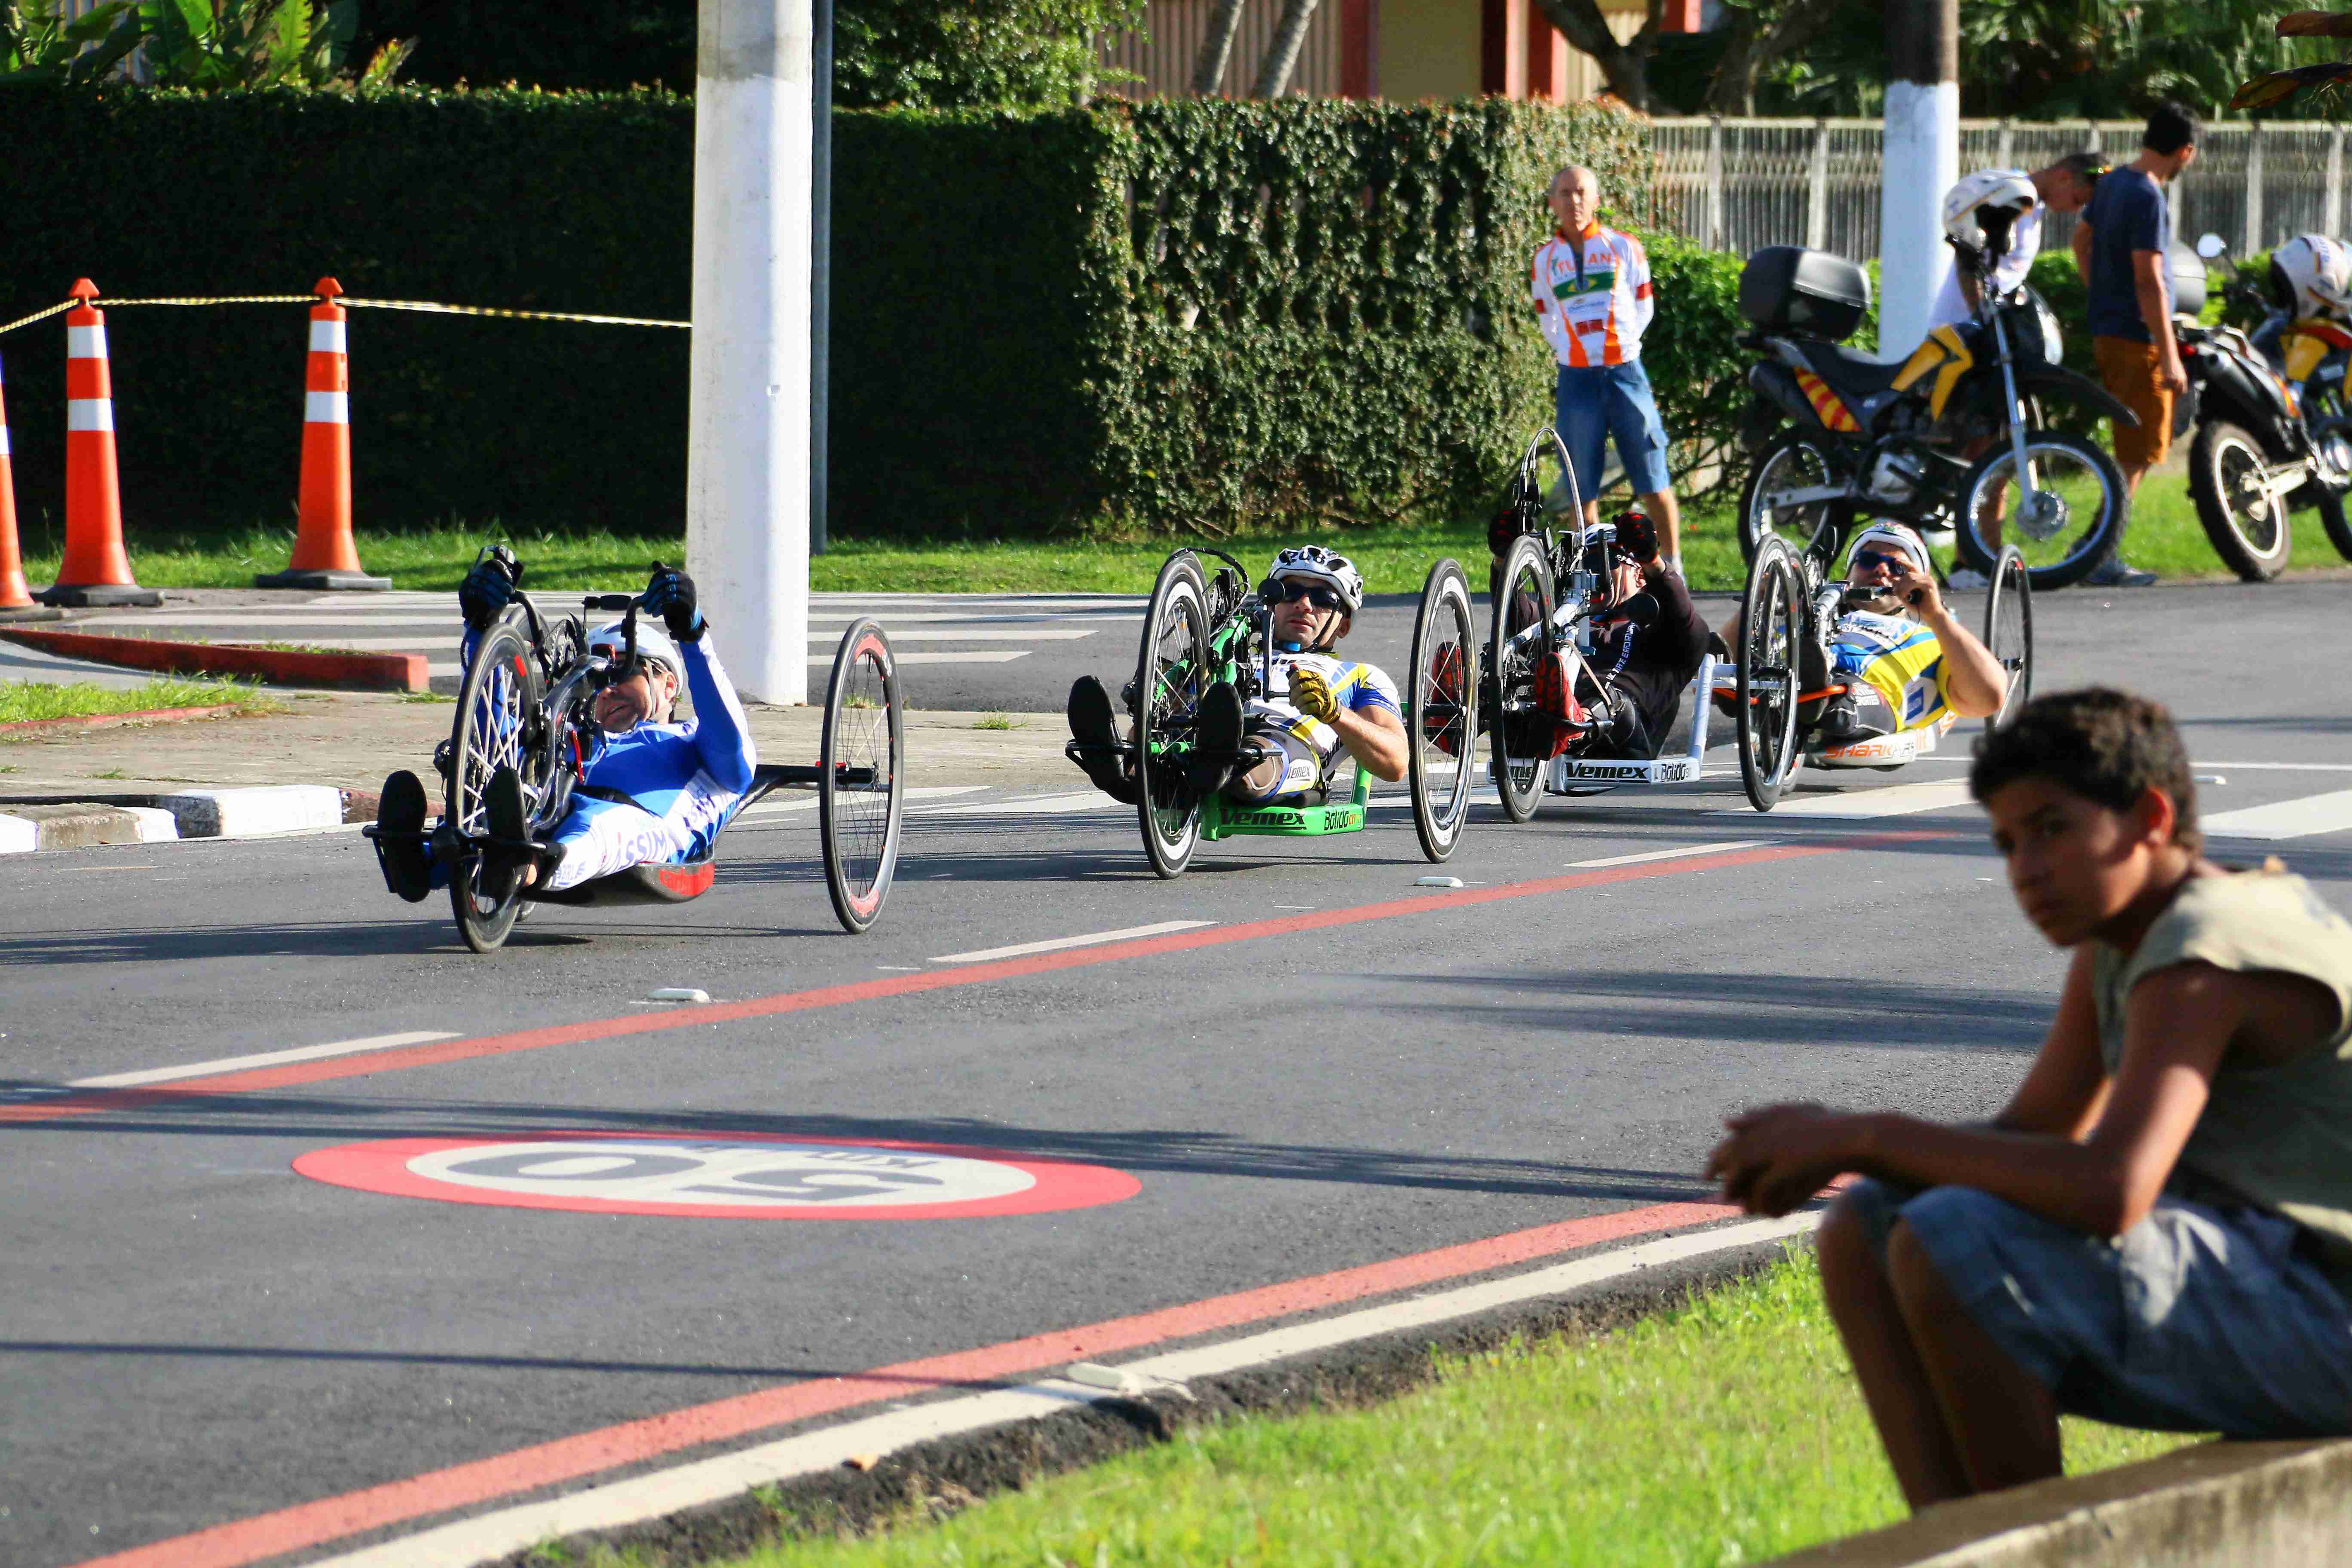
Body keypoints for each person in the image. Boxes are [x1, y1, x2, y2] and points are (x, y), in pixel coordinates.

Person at [1708, 687, 2352, 1507]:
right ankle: (1946, 1540)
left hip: (2330, 1313)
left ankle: (2024, 1547)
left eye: (2052, 829)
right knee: (1867, 1223)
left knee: (1955, 1239)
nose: (2027, 870)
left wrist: (1864, 1132)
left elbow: (2109, 1187)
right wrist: (1869, 1155)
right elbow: (2035, 1133)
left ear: (2150, 817)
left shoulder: (2199, 956)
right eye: (2008, 842)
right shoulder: (2130, 937)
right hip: (2276, 1277)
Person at [372, 557, 758, 902]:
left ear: (669, 684)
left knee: (599, 830)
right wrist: (479, 625)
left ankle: (521, 868)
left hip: (636, 821)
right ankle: (417, 862)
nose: (607, 690)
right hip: (545, 800)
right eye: (598, 681)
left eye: (625, 671)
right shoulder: (571, 731)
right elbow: (495, 735)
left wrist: (691, 634)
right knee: (500, 770)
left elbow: (736, 755)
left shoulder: (695, 741)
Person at [1066, 545, 1406, 807]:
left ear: (1343, 625)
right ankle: (1116, 762)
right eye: (1290, 593)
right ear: (1271, 603)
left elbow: (1396, 763)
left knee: (1258, 753)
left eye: (1322, 598)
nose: (1304, 604)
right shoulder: (1228, 651)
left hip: (1287, 747)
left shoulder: (1361, 675)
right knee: (1177, 728)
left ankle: (1213, 765)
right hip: (1204, 729)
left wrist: (1335, 713)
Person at [1931, 156, 2105, 591]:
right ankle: (1971, 561)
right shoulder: (2011, 196)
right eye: (2079, 198)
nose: (2076, 209)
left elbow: (2002, 277)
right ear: (2065, 177)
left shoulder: (2032, 207)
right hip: (1966, 339)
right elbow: (1968, 257)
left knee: (2005, 453)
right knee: (1978, 450)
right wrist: (1983, 322)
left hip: (1993, 342)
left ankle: (1981, 560)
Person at [1716, 521, 2010, 745]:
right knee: (1750, 665)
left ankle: (1814, 694)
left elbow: (1989, 697)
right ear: (1848, 575)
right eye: (1868, 561)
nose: (1882, 569)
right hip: (1790, 670)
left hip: (1862, 697)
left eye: (1898, 568)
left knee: (1843, 697)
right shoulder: (1806, 617)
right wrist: (1760, 601)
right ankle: (1773, 692)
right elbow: (1718, 664)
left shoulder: (1936, 637)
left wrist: (1936, 615)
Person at [1532, 165, 1684, 572]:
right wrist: (1573, 350)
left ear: (1597, 199)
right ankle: (1596, 578)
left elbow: (1644, 307)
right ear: (1553, 203)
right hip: (1576, 379)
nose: (1574, 201)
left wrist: (1618, 345)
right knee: (1582, 490)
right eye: (1565, 193)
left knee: (1653, 477)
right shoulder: (1545, 260)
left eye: (1582, 192)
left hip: (1625, 373)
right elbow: (1547, 320)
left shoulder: (1624, 247)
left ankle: (1673, 567)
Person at [2074, 101, 2201, 588]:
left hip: (2110, 329)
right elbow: (2150, 279)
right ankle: (2098, 554)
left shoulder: (2111, 183)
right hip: (2139, 339)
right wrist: (2169, 353)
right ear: (2184, 151)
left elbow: (2080, 241)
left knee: (2133, 449)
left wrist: (2099, 293)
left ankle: (2093, 548)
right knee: (2137, 453)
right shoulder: (2148, 195)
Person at [1490, 506, 1710, 762]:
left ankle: (1574, 718)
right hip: (1544, 730)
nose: (1592, 572)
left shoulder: (1662, 630)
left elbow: (1685, 620)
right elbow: (1520, 621)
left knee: (1613, 701)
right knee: (1514, 685)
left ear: (1639, 576)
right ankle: (1458, 713)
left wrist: (1652, 560)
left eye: (1608, 561)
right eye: (1586, 563)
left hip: (1622, 735)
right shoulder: (1566, 623)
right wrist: (1503, 558)